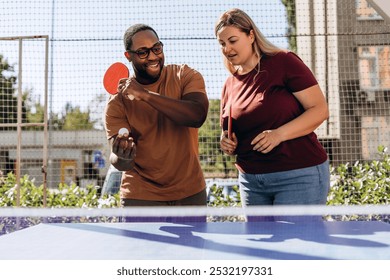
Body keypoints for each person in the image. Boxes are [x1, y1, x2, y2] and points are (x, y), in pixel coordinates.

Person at [214, 8, 330, 212]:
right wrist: (226, 141)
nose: (227, 48)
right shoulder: (229, 84)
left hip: (298, 175)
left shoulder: (284, 61)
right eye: (222, 43)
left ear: (251, 35)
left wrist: (278, 135)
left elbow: (319, 110)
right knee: (261, 245)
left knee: (298, 243)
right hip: (251, 182)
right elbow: (230, 132)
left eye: (232, 40)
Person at [104, 23, 209, 210]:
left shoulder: (184, 75)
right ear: (129, 56)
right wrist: (122, 155)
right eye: (143, 52)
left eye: (156, 48)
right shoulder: (117, 103)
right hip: (141, 196)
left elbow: (197, 115)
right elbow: (120, 162)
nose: (153, 56)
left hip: (190, 192)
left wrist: (145, 95)